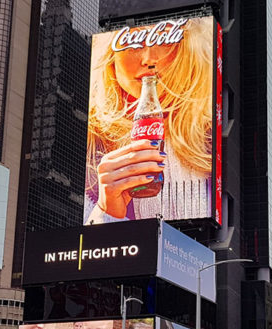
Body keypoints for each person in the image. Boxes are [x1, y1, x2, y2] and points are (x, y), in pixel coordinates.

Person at [84, 17, 214, 223]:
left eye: (164, 40)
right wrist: (107, 211)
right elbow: (86, 250)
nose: (149, 59)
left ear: (187, 48)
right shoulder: (88, 140)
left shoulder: (212, 130)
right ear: (111, 52)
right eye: (135, 43)